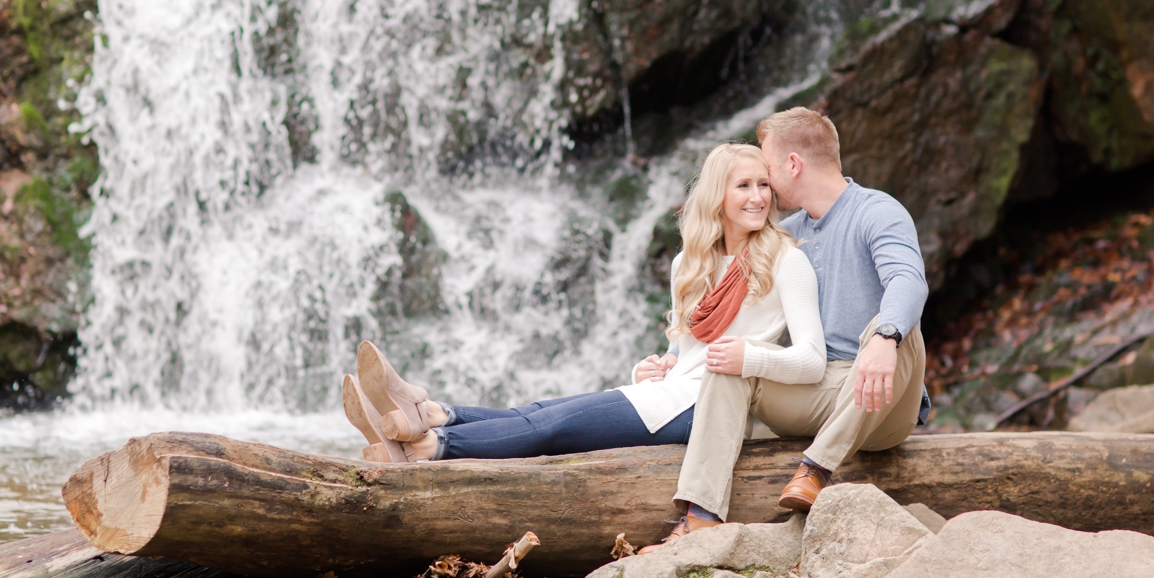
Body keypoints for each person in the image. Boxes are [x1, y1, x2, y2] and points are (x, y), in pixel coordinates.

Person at [341, 143, 827, 479]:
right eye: (744, 186)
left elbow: (812, 360)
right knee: (541, 411)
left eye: (764, 185)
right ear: (717, 195)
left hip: (711, 409)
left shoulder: (786, 260)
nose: (758, 197)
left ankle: (431, 446)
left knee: (558, 428)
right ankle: (433, 412)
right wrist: (658, 364)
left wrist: (750, 357)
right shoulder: (691, 262)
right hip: (675, 393)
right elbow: (685, 350)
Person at [659, 107, 928, 542]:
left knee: (898, 324)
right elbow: (724, 300)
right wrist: (673, 356)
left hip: (882, 402)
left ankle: (815, 469)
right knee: (732, 366)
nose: (761, 187)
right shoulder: (784, 236)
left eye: (766, 171)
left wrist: (886, 337)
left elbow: (908, 280)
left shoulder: (878, 211)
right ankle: (699, 517)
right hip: (817, 389)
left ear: (793, 164)